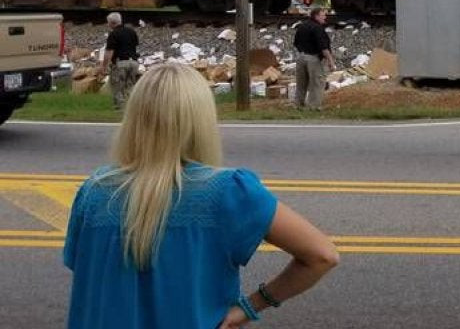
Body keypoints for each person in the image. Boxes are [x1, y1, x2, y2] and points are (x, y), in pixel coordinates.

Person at [64, 63, 339, 329]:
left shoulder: (93, 191)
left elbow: (86, 274)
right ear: (201, 121)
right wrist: (250, 307)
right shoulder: (227, 192)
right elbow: (322, 255)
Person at [292, 6, 336, 110]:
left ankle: (298, 105)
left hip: (301, 57)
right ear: (316, 16)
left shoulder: (302, 26)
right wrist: (331, 61)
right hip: (313, 58)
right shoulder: (318, 28)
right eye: (323, 15)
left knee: (301, 84)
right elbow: (324, 47)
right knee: (317, 83)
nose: (325, 17)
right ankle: (313, 106)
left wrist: (302, 53)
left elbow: (296, 43)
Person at [98, 12, 139, 109]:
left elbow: (109, 52)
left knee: (118, 87)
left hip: (120, 63)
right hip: (133, 62)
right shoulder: (131, 31)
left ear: (112, 23)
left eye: (108, 23)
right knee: (130, 86)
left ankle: (120, 109)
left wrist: (104, 66)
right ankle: (132, 107)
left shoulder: (113, 34)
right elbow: (135, 46)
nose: (107, 25)